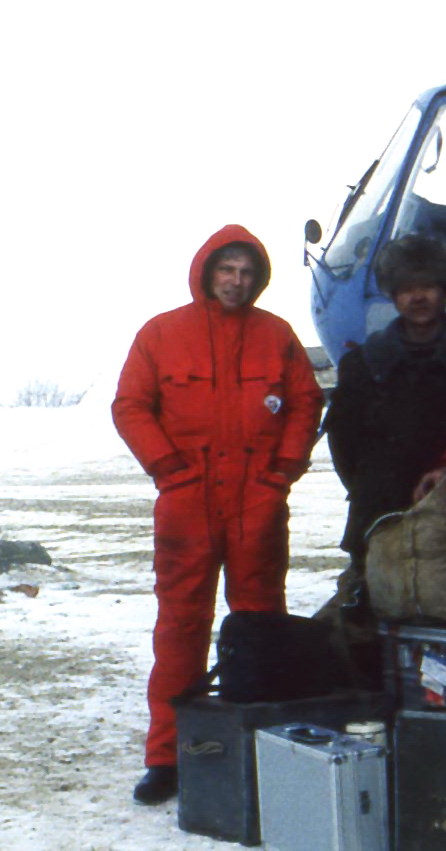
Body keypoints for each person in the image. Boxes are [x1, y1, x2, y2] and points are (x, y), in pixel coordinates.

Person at [112, 225, 323, 806]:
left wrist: (281, 471)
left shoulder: (275, 335)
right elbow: (130, 405)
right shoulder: (161, 334)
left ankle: (259, 748)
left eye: (247, 272)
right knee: (180, 630)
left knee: (259, 627)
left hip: (257, 500)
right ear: (207, 271)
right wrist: (169, 469)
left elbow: (307, 402)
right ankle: (169, 757)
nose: (237, 281)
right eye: (227, 269)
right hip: (188, 501)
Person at [322, 232, 446, 606]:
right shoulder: (362, 366)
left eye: (428, 286)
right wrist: (374, 484)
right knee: (371, 622)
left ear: (445, 291)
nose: (418, 297)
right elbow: (343, 445)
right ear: (392, 293)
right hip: (377, 515)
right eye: (407, 287)